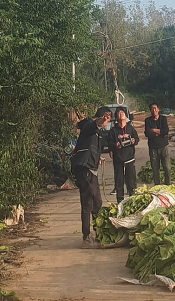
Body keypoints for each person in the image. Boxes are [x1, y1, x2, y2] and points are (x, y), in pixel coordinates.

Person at [71, 105, 111, 245]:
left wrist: (97, 158)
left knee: (96, 202)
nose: (106, 123)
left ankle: (96, 233)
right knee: (89, 202)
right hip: (84, 169)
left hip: (91, 169)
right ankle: (87, 237)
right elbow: (94, 125)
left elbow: (90, 147)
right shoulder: (89, 126)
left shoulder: (98, 133)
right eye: (107, 120)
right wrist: (101, 120)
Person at [109, 106, 140, 203]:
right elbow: (109, 143)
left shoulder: (130, 128)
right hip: (118, 159)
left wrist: (134, 141)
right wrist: (115, 145)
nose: (121, 114)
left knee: (131, 182)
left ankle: (133, 202)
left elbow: (137, 139)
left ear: (126, 116)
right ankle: (120, 202)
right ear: (116, 117)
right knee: (119, 182)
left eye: (122, 113)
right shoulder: (113, 130)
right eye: (119, 113)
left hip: (129, 158)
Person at [144, 103, 171, 185]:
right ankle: (157, 185)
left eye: (155, 108)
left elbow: (165, 131)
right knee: (155, 169)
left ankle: (168, 184)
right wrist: (159, 132)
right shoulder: (148, 120)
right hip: (153, 147)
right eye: (152, 108)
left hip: (163, 146)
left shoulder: (163, 119)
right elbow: (147, 133)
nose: (154, 110)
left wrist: (154, 130)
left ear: (158, 109)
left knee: (167, 167)